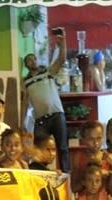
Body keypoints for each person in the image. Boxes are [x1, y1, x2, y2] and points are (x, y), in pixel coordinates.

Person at [23, 28, 69, 171]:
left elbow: (61, 60)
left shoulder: (48, 72)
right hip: (41, 119)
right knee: (40, 148)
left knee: (62, 147)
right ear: (26, 65)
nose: (32, 61)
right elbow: (24, 102)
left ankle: (66, 174)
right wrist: (21, 123)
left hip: (56, 115)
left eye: (33, 58)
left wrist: (62, 43)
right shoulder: (25, 82)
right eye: (28, 60)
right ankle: (42, 174)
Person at [71, 121, 105, 193]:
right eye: (91, 139)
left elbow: (111, 190)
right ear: (83, 140)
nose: (96, 143)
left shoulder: (107, 157)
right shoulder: (78, 157)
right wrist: (88, 175)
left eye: (99, 138)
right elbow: (73, 188)